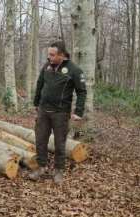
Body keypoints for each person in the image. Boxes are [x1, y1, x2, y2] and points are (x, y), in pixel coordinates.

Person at [29, 41, 87, 184]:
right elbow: (40, 83)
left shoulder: (75, 70)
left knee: (59, 143)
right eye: (49, 54)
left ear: (62, 55)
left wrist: (78, 111)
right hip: (44, 110)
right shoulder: (47, 66)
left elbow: (82, 91)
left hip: (61, 113)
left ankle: (58, 171)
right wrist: (36, 103)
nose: (49, 57)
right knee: (40, 140)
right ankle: (41, 167)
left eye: (52, 55)